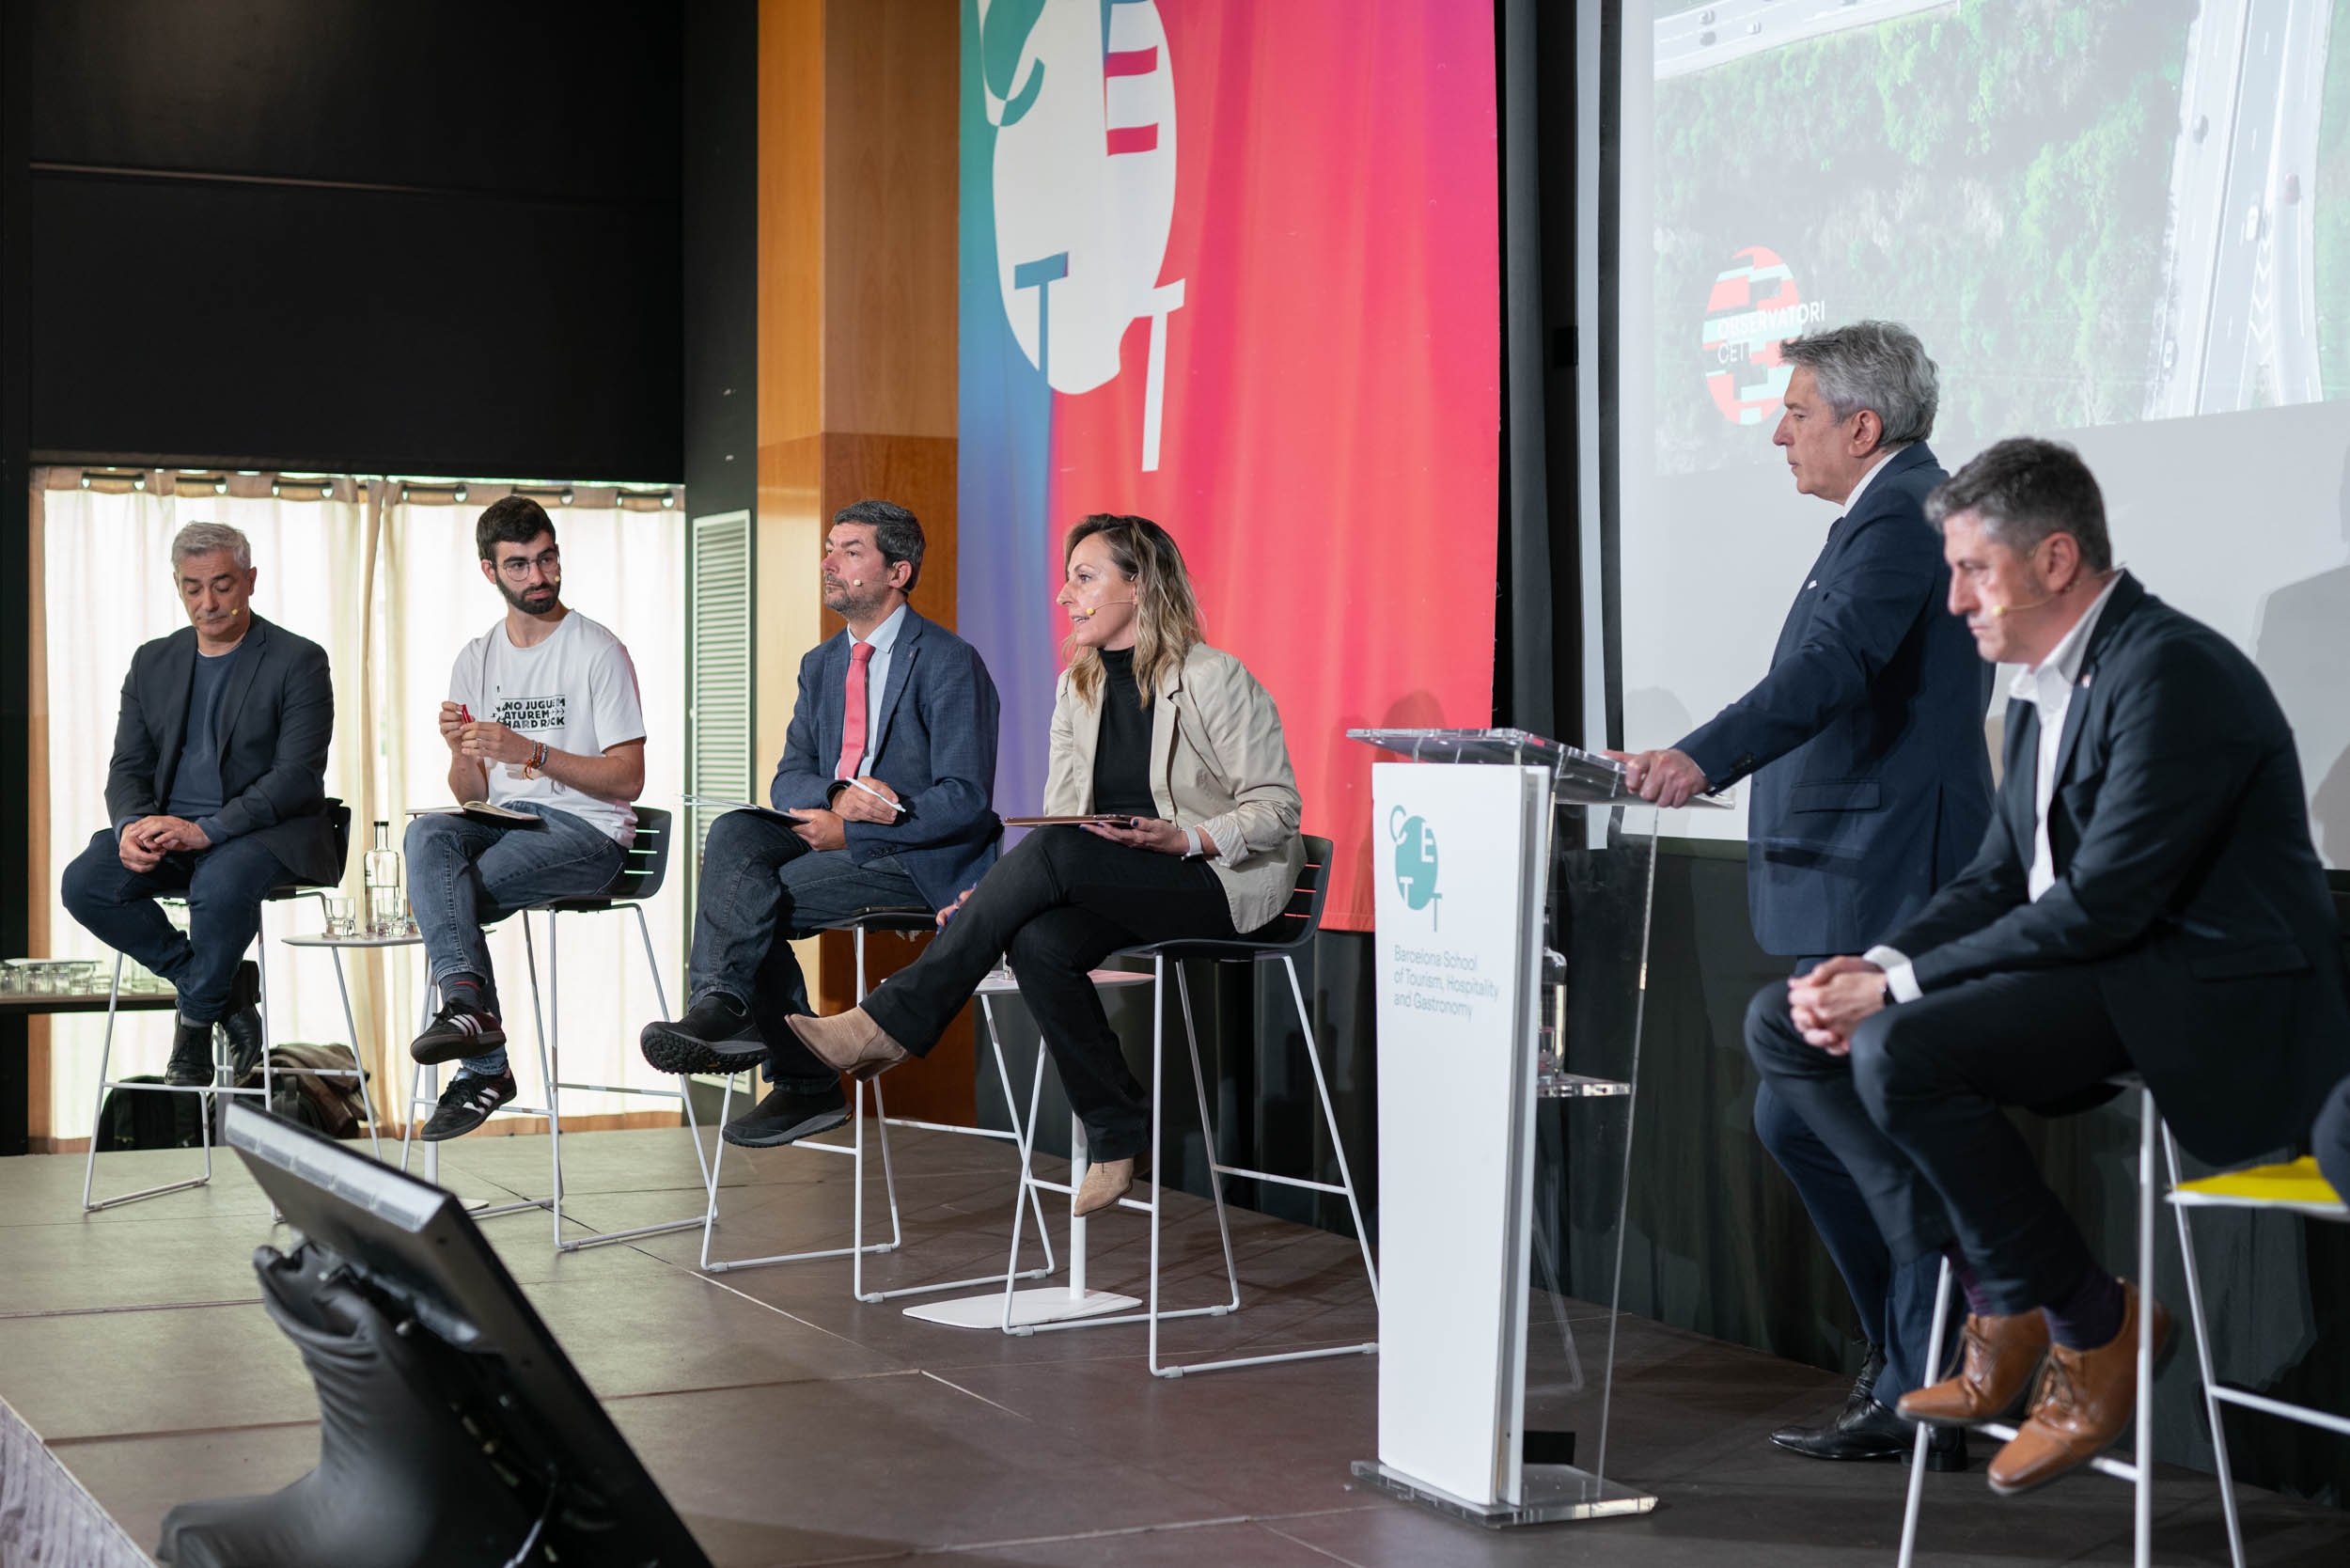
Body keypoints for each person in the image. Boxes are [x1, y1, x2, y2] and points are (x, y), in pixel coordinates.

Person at [1747, 437, 2350, 1496]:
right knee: (1780, 1025)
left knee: (1902, 1045)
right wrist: (1876, 958)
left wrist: (1895, 989)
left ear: (2056, 559)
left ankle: (2083, 1321)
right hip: (2112, 979)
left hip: (2213, 1000)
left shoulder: (2171, 671)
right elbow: (1993, 879)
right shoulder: (2037, 682)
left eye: (1973, 570)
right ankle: (2003, 1296)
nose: (1952, 602)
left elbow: (2103, 902)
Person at [1610, 321, 1992, 1467]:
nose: (1778, 430)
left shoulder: (1900, 517)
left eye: (1795, 410)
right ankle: (1912, 1361)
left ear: (1860, 426)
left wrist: (1697, 757)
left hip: (1888, 875)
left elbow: (1825, 676)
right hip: (1857, 867)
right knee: (1798, 1111)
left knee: (1865, 1119)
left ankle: (1935, 1378)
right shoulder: (1880, 516)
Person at [779, 512, 1303, 1216]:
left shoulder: (1214, 678)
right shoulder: (1077, 687)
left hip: (1214, 879)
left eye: (1084, 578)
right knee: (1035, 939)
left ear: (1140, 586)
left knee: (1050, 857)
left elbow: (1277, 808)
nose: (1065, 595)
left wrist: (1185, 840)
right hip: (1119, 873)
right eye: (1067, 579)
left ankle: (889, 1023)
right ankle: (1118, 1134)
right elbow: (1068, 824)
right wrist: (1001, 899)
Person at [638, 500, 1002, 1149]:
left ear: (899, 572)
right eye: (830, 547)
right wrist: (837, 795)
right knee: (733, 832)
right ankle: (722, 1005)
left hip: (917, 860)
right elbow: (790, 779)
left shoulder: (949, 661)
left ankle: (803, 1082)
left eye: (850, 551)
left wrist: (859, 830)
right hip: (831, 836)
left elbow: (967, 798)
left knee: (748, 903)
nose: (829, 563)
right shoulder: (821, 663)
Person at [405, 495, 648, 1140]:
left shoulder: (599, 650)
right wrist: (459, 752)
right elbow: (468, 792)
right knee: (426, 832)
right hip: (505, 820)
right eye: (519, 566)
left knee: (446, 897)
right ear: (490, 572)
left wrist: (532, 752)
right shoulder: (476, 658)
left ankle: (483, 1062)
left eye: (546, 560)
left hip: (588, 831)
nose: (538, 578)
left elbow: (629, 778)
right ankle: (469, 1015)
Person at [63, 522, 338, 1086]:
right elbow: (128, 766)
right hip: (170, 830)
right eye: (193, 588)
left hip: (264, 831)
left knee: (220, 884)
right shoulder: (152, 661)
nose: (208, 603)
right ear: (177, 586)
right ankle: (222, 991)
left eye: (222, 585)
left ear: (251, 581)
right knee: (84, 883)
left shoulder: (298, 659)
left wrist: (209, 830)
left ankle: (192, 1026)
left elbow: (297, 778)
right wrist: (132, 826)